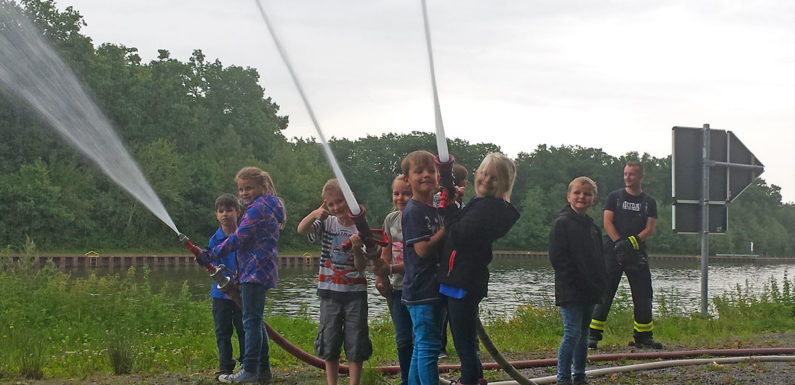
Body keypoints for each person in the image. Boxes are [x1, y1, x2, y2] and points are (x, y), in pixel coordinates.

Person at [437, 153, 520, 385]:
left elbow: (459, 234)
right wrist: (454, 204)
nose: (485, 179)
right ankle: (477, 378)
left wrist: (449, 208)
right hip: (460, 277)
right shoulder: (481, 205)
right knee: (468, 341)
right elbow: (462, 227)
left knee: (464, 343)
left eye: (493, 177)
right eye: (483, 173)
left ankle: (469, 380)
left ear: (503, 184)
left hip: (463, 280)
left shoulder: (490, 209)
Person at [198, 167, 285, 384]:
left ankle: (250, 371)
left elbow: (238, 238)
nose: (244, 193)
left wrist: (211, 254)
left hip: (255, 270)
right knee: (255, 320)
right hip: (259, 268)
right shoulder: (268, 206)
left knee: (251, 321)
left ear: (261, 187)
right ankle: (262, 372)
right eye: (241, 189)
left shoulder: (256, 210)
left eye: (248, 188)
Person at [297, 179, 372, 385]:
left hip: (355, 293)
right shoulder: (326, 223)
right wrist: (314, 214)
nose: (336, 207)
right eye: (331, 204)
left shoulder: (361, 228)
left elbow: (361, 267)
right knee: (329, 340)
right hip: (329, 292)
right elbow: (301, 229)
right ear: (325, 205)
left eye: (340, 201)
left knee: (356, 340)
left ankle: (354, 382)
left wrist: (357, 248)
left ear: (350, 199)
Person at [588, 161, 662, 350]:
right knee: (604, 293)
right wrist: (620, 243)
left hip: (637, 253)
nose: (627, 177)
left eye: (632, 174)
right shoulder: (615, 197)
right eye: (625, 174)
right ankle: (592, 336)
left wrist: (632, 243)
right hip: (613, 251)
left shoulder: (649, 202)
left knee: (643, 295)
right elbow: (607, 222)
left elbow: (650, 228)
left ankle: (644, 337)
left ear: (641, 177)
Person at [549, 177, 607, 385]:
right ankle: (563, 379)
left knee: (583, 335)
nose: (582, 196)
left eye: (587, 193)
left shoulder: (593, 228)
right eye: (578, 193)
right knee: (572, 333)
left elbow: (599, 259)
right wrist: (576, 282)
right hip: (571, 290)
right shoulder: (562, 223)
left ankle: (580, 375)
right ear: (569, 196)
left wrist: (600, 283)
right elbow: (558, 259)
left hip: (590, 291)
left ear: (593, 199)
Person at [400, 150, 446, 385]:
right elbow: (422, 249)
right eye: (419, 171)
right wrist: (447, 231)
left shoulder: (435, 208)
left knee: (422, 346)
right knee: (428, 348)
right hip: (421, 289)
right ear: (407, 179)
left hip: (433, 286)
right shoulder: (414, 210)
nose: (426, 175)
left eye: (432, 171)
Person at [371, 174, 413, 385]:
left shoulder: (420, 217)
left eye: (406, 193)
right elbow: (385, 254)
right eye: (396, 193)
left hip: (419, 288)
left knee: (421, 339)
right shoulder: (390, 220)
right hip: (396, 288)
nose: (400, 198)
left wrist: (391, 268)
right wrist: (380, 277)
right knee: (403, 338)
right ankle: (406, 380)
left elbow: (421, 259)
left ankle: (420, 378)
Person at [208, 193, 246, 379]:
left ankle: (247, 363)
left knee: (244, 328)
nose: (225, 214)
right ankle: (225, 367)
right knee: (223, 332)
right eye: (221, 211)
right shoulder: (214, 240)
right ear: (216, 215)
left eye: (229, 210)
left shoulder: (244, 235)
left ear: (238, 212)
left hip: (242, 293)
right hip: (221, 295)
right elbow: (213, 264)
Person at [437, 164, 469, 358]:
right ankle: (444, 347)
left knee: (454, 309)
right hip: (445, 259)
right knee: (444, 309)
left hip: (452, 260)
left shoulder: (462, 205)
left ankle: (461, 346)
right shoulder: (441, 199)